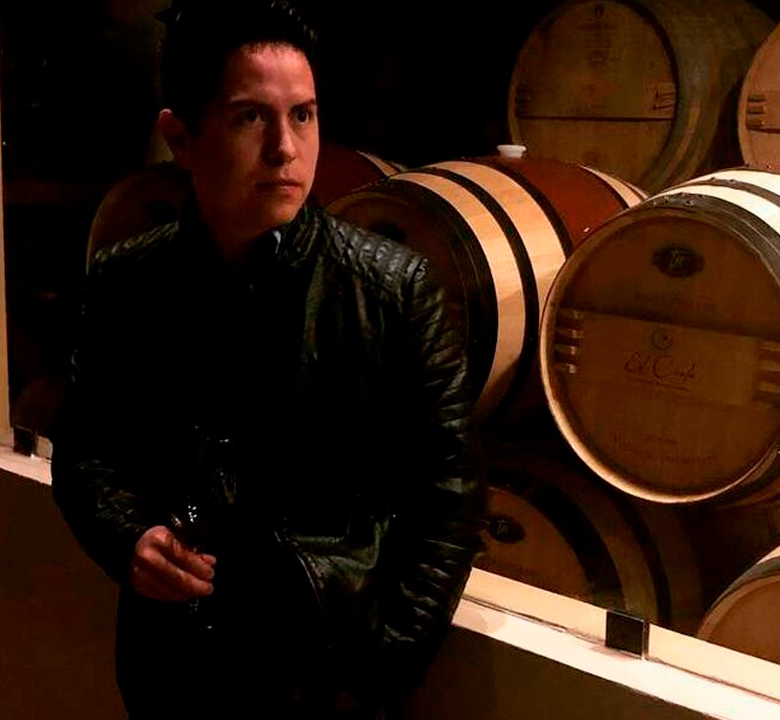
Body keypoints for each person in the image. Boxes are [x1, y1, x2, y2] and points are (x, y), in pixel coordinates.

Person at [50, 2, 486, 718]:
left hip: (325, 676)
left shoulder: (393, 289)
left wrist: (378, 669)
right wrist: (130, 539)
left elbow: (451, 497)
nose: (286, 148)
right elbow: (86, 450)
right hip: (173, 671)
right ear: (180, 138)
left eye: (303, 116)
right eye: (251, 117)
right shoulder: (128, 279)